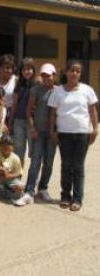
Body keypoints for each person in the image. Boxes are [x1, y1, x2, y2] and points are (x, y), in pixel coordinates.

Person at [48, 60, 98, 211]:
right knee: (66, 165)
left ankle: (77, 199)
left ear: (80, 74)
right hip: (64, 133)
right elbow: (53, 113)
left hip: (82, 133)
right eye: (72, 70)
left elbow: (93, 111)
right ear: (66, 72)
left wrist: (95, 129)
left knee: (78, 166)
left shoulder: (87, 90)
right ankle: (65, 196)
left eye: (77, 71)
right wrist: (52, 130)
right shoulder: (58, 91)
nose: (74, 73)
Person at [15, 63, 57, 206]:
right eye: (43, 75)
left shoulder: (59, 91)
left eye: (49, 75)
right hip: (39, 132)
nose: (46, 78)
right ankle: (29, 192)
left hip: (52, 133)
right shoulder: (36, 90)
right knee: (35, 162)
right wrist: (33, 129)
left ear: (54, 76)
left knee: (49, 163)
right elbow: (29, 111)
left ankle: (43, 188)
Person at [9, 57, 37, 165]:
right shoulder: (18, 84)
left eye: (29, 69)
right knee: (18, 150)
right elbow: (15, 104)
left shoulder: (37, 84)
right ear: (21, 71)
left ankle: (32, 177)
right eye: (24, 69)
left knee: (33, 151)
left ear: (34, 70)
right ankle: (17, 175)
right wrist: (11, 122)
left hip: (33, 121)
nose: (27, 71)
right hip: (19, 120)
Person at [0, 135, 24, 204]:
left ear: (12, 148)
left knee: (21, 186)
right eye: (3, 147)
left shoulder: (16, 158)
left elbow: (19, 173)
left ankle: (7, 191)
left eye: (8, 148)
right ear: (0, 147)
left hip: (10, 179)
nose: (6, 150)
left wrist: (10, 176)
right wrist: (2, 169)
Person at [0, 54, 17, 119]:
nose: (5, 70)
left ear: (13, 69)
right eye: (3, 67)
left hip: (12, 114)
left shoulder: (16, 81)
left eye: (8, 68)